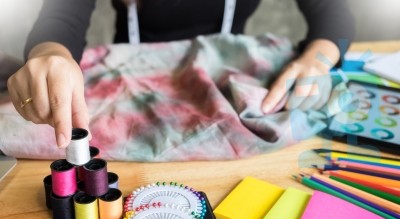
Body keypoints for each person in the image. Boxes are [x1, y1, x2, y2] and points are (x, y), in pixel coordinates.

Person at [7, 0, 355, 149]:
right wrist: (50, 54)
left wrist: (317, 58)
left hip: (226, 84)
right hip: (128, 90)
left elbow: (335, 12)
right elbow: (62, 15)